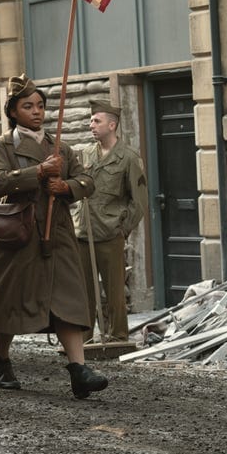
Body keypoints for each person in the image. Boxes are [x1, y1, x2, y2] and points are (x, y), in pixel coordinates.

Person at [0, 74, 108, 399]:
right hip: (18, 234)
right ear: (13, 111)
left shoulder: (60, 147)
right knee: (10, 301)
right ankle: (1, 359)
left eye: (40, 105)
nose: (36, 111)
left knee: (67, 299)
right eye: (28, 106)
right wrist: (38, 173)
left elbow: (87, 181)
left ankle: (78, 370)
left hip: (58, 234)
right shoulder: (1, 145)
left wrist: (66, 186)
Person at [77, 99, 147, 343]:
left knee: (114, 289)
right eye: (90, 121)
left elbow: (138, 202)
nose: (91, 125)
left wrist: (122, 228)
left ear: (112, 124)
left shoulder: (128, 158)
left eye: (96, 121)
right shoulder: (84, 155)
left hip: (110, 233)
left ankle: (117, 335)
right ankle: (84, 338)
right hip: (83, 232)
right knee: (84, 290)